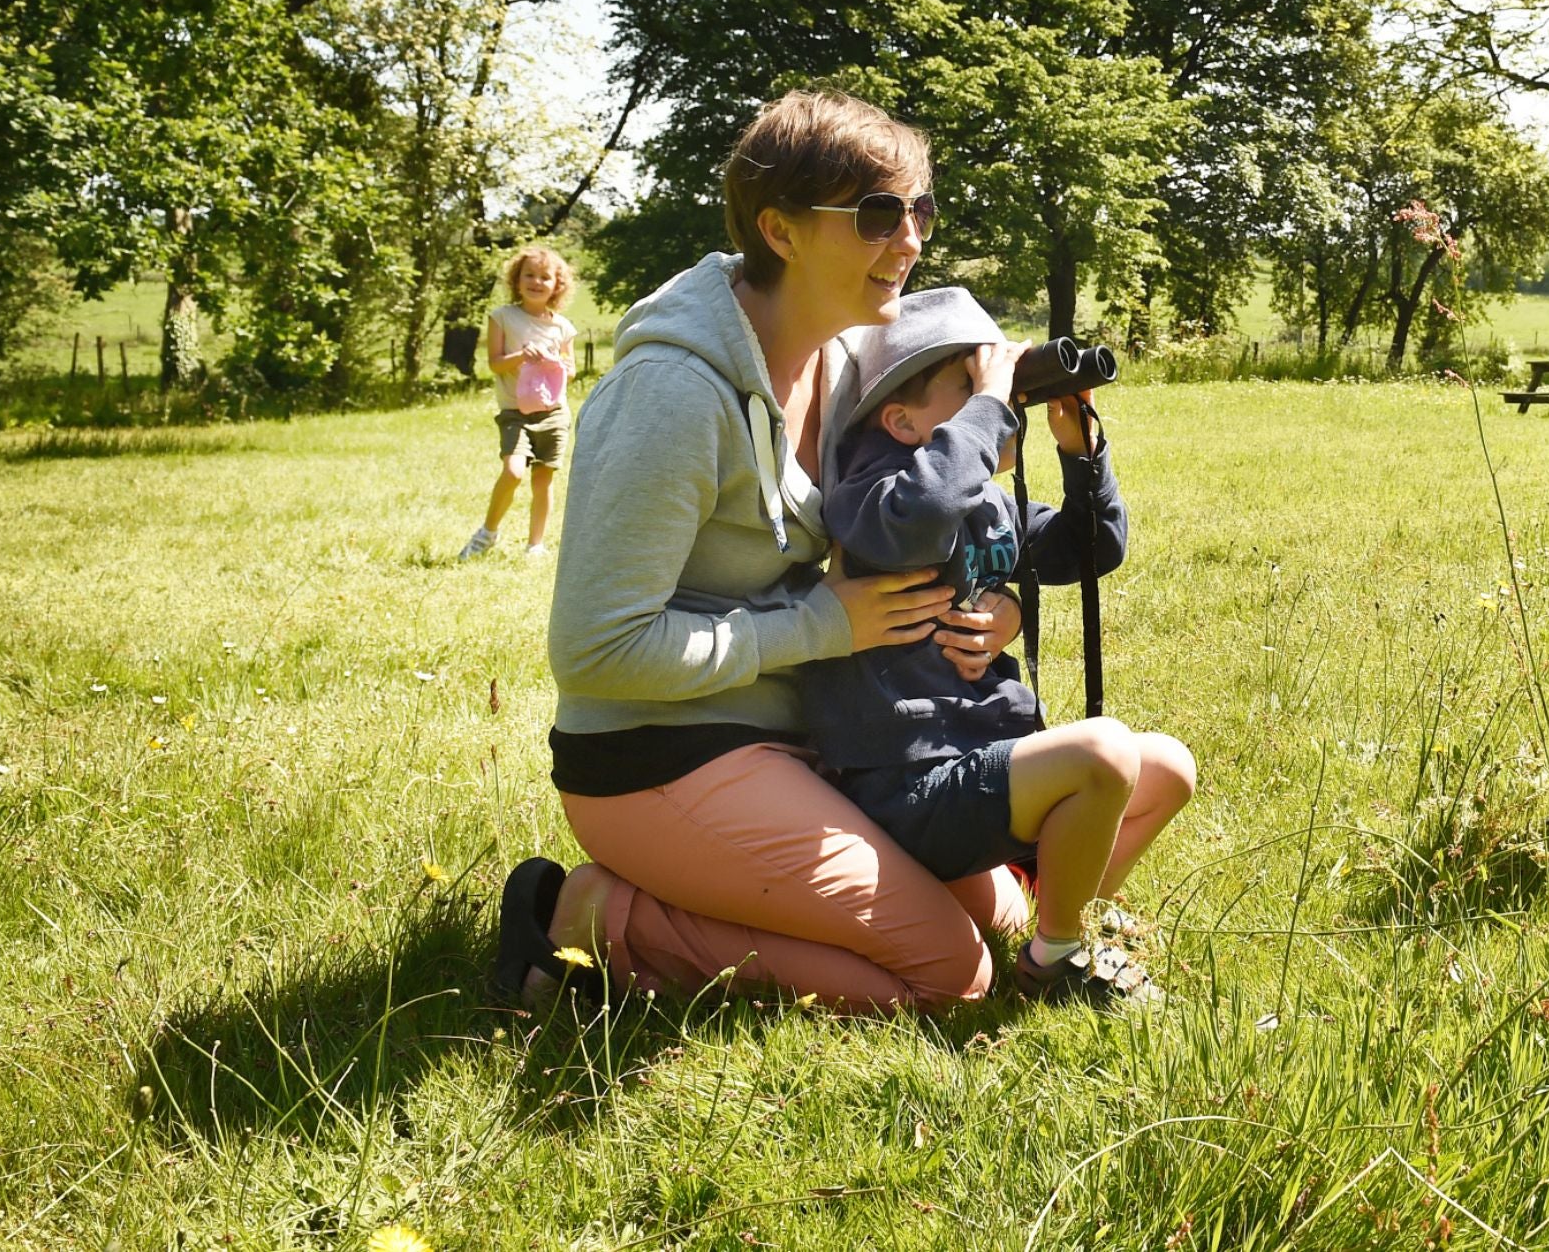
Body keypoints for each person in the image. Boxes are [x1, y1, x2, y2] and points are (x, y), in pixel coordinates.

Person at [488, 90, 1184, 1014]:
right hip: (659, 755)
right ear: (778, 229)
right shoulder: (673, 394)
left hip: (808, 736)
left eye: (920, 211)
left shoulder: (846, 361)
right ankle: (593, 913)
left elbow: (925, 521)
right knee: (951, 980)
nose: (909, 239)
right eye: (877, 215)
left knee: (1005, 925)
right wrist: (821, 625)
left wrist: (996, 597)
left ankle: (745, 903)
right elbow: (595, 649)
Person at [806, 287, 1191, 1004]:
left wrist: (1083, 454)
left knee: (1169, 766)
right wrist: (989, 406)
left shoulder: (986, 498)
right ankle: (1055, 961)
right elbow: (921, 518)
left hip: (981, 772)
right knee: (1104, 751)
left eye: (1005, 388)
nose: (1002, 402)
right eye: (973, 384)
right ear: (900, 418)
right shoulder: (871, 496)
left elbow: (1088, 551)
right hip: (907, 789)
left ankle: (1058, 913)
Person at [459, 246, 578, 560]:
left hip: (554, 413)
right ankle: (487, 532)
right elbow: (495, 364)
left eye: (545, 277)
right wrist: (522, 356)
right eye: (529, 275)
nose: (536, 282)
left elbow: (572, 369)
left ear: (557, 285)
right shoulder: (503, 317)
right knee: (513, 471)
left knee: (543, 478)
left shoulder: (563, 327)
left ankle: (535, 545)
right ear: (516, 279)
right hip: (515, 412)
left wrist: (557, 362)